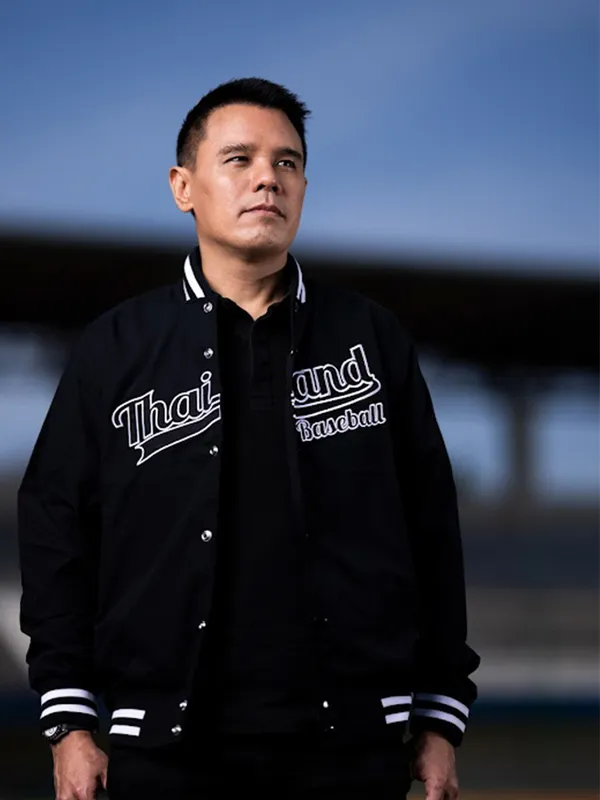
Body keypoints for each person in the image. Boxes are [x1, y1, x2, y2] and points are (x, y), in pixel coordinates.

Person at [18, 77, 480, 800]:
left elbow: (432, 528)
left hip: (352, 748)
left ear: (304, 188)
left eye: (287, 162)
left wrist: (440, 713)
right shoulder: (115, 348)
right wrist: (69, 721)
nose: (269, 177)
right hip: (166, 751)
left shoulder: (370, 337)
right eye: (239, 159)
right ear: (183, 187)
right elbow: (55, 526)